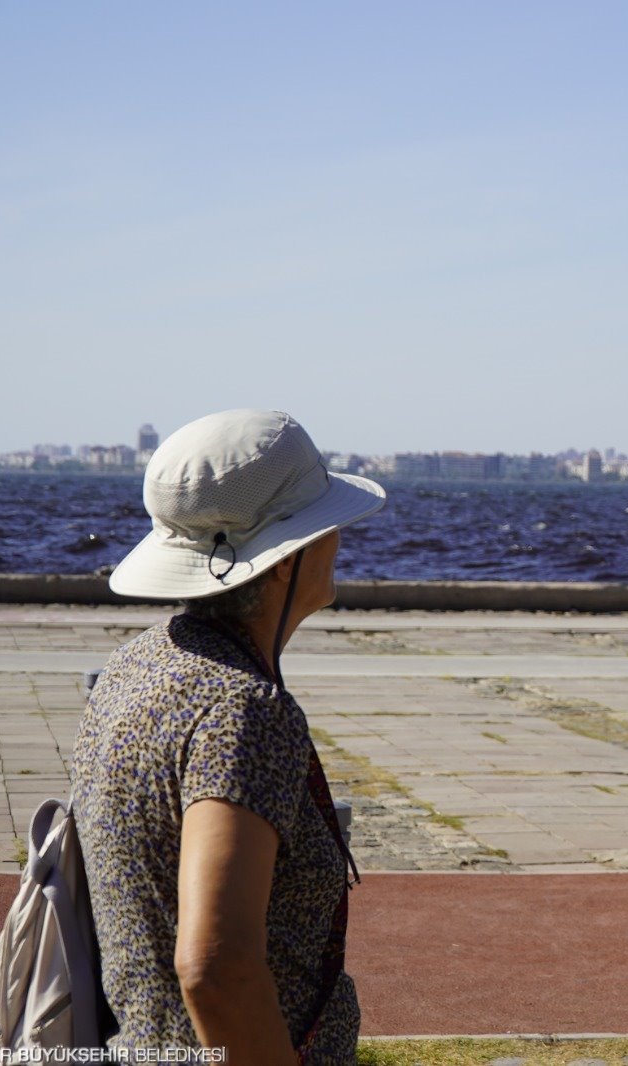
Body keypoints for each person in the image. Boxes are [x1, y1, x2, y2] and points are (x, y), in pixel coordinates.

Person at [72, 409, 386, 1061]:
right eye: (323, 524)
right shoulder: (243, 708)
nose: (337, 539)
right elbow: (215, 967)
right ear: (285, 559)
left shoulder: (138, 662)